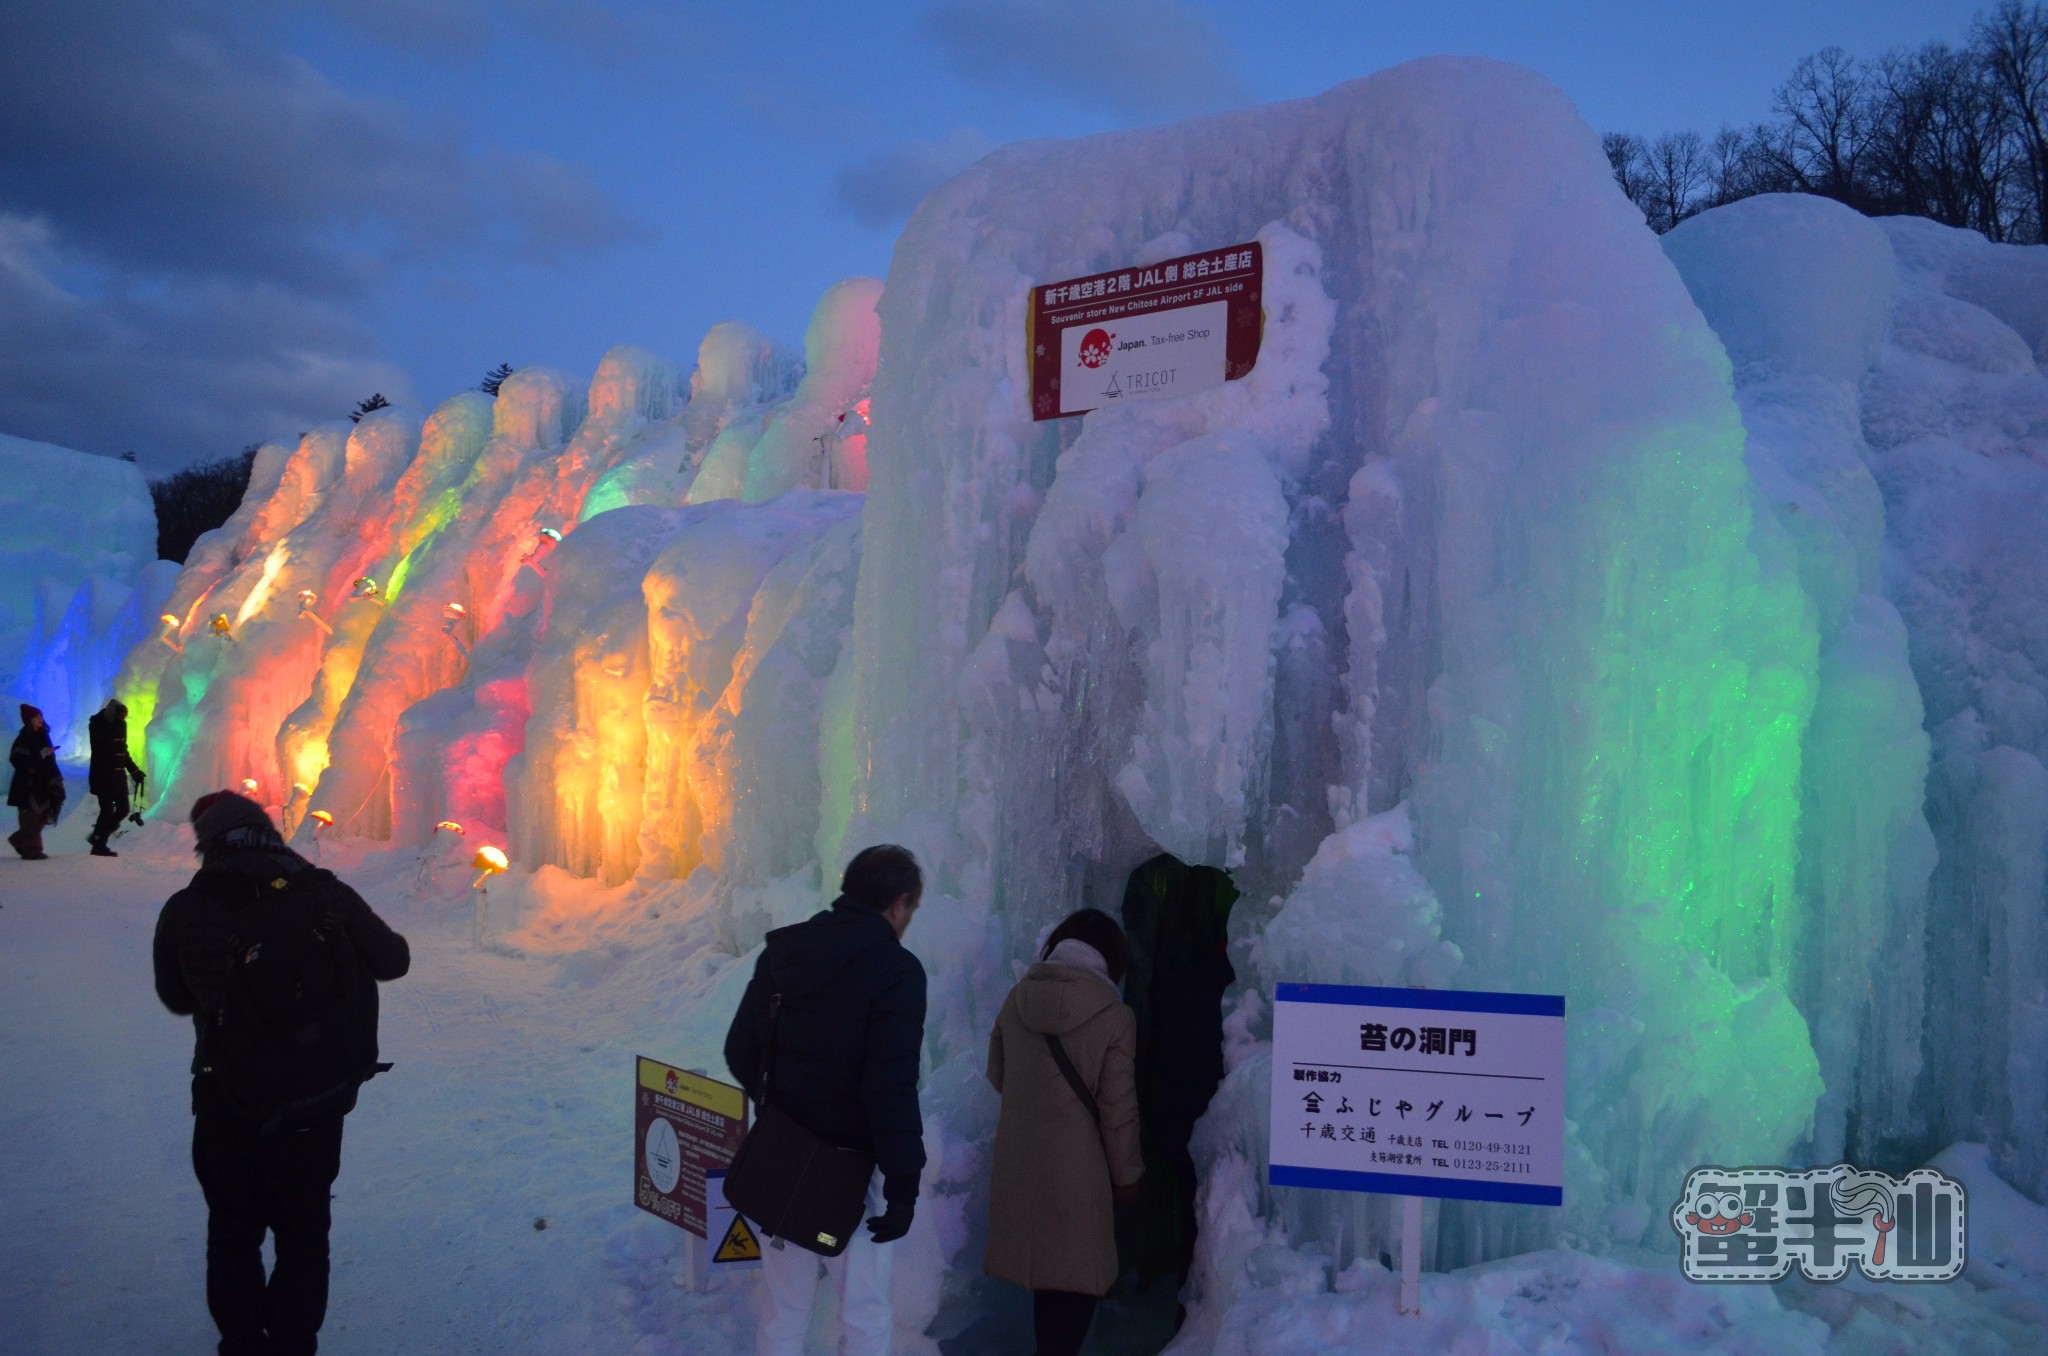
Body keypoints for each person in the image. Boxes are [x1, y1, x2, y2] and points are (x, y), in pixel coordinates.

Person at [153, 791, 410, 1356]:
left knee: (232, 1231)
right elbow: (394, 960)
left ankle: (242, 1343)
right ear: (267, 832)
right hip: (313, 1104)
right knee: (303, 1233)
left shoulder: (189, 905)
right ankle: (293, 1344)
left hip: (227, 1096)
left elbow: (174, 996)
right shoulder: (324, 891)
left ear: (209, 843)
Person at [724, 845, 927, 1356]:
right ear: (899, 903)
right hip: (850, 1174)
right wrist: (903, 1183)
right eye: (911, 911)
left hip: (779, 1156)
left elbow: (740, 1049)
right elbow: (890, 1087)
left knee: (783, 1309)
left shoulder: (785, 952)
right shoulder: (897, 971)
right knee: (863, 1312)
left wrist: (781, 1113)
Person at [985, 908, 1144, 1356]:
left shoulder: (1017, 1000)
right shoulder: (1114, 1017)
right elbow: (1118, 1111)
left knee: (1047, 1282)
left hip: (1022, 1166)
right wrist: (1128, 1176)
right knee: (1075, 1288)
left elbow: (998, 1074)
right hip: (1078, 1175)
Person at [86, 697, 145, 857]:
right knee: (106, 810)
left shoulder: (120, 725)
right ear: (114, 713)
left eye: (124, 717)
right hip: (103, 775)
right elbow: (104, 746)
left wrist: (134, 771)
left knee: (123, 809)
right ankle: (99, 844)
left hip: (118, 776)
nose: (123, 719)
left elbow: (122, 751)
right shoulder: (97, 724)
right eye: (120, 715)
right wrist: (113, 722)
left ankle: (98, 837)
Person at [7, 703, 64, 860]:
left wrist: (54, 777)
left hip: (43, 783)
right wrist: (40, 755)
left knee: (42, 815)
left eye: (40, 716)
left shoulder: (43, 735)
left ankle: (21, 841)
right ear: (29, 720)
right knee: (31, 817)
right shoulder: (24, 738)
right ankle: (32, 850)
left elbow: (48, 760)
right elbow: (17, 759)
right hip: (27, 785)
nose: (40, 719)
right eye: (36, 717)